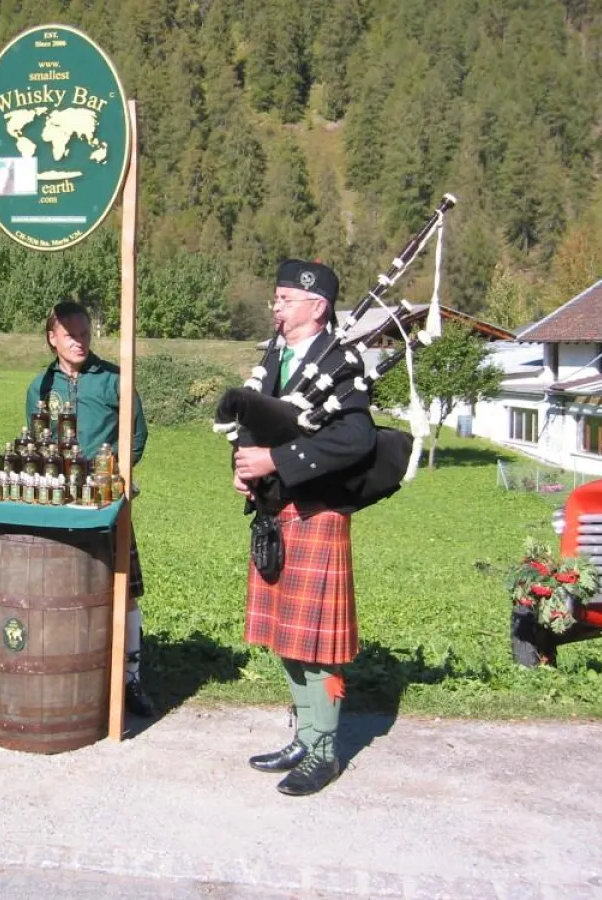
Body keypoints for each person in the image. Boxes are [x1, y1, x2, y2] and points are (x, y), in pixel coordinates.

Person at [230, 259, 377, 796]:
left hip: (316, 511)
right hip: (276, 512)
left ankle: (325, 750)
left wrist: (277, 462)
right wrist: (244, 471)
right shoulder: (276, 355)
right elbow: (254, 424)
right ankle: (305, 731)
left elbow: (355, 439)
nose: (276, 306)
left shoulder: (341, 361)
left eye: (286, 299)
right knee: (288, 638)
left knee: (318, 644)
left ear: (317, 307)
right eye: (276, 298)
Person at [25, 301, 154, 718]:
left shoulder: (114, 378)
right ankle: (73, 669)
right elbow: (35, 442)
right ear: (53, 339)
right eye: (70, 335)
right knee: (66, 586)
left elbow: (136, 434)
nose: (79, 341)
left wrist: (111, 470)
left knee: (124, 588)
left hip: (106, 498)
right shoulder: (40, 386)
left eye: (84, 333)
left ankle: (131, 677)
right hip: (59, 502)